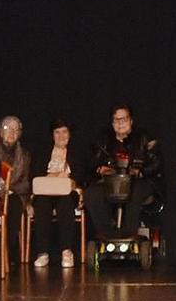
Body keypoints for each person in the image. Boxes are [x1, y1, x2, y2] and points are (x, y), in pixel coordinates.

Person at [87, 104, 162, 244]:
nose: (120, 123)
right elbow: (92, 163)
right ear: (112, 122)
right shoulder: (103, 140)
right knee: (92, 193)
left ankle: (128, 235)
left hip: (139, 181)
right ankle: (107, 234)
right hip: (111, 182)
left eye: (124, 119)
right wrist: (100, 169)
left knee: (134, 190)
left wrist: (140, 171)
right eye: (116, 120)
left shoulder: (144, 137)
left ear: (131, 121)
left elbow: (156, 163)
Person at [31, 120, 80, 268]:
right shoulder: (43, 152)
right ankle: (42, 252)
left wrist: (68, 179)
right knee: (41, 203)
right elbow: (34, 173)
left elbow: (82, 174)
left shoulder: (76, 153)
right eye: (57, 132)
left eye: (64, 131)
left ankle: (66, 251)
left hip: (67, 191)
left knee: (65, 202)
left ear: (70, 134)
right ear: (52, 135)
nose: (61, 136)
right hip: (45, 191)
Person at [0, 115, 31, 275]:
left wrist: (10, 188)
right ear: (0, 130)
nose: (11, 133)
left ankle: (7, 254)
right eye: (8, 128)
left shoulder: (25, 155)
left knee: (14, 205)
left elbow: (26, 183)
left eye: (16, 130)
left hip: (15, 195)